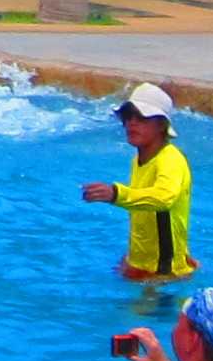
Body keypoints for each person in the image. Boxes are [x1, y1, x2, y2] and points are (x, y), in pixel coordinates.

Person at [80, 83, 194, 278]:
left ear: (161, 125)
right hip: (143, 266)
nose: (132, 123)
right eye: (128, 116)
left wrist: (116, 194)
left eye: (141, 117)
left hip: (164, 275)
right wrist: (132, 258)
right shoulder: (139, 160)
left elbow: (163, 198)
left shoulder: (170, 160)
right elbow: (142, 212)